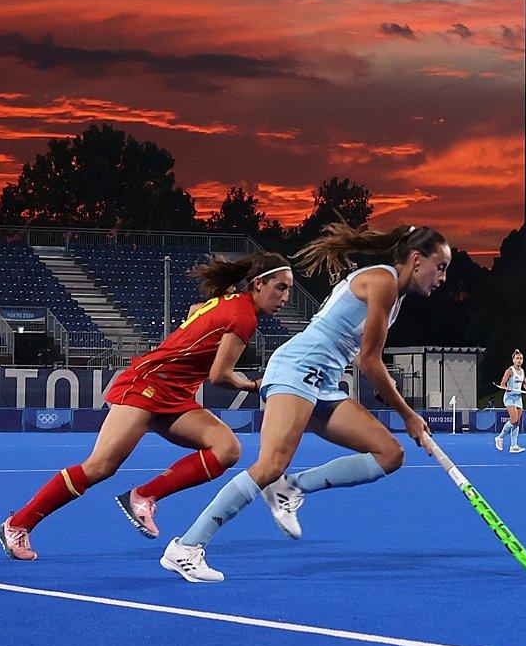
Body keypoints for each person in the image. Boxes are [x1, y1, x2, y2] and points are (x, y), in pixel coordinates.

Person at [162, 225, 448, 583]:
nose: (443, 277)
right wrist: (408, 415)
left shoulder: (393, 293)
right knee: (269, 465)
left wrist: (392, 401)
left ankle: (292, 487)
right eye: (440, 267)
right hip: (297, 369)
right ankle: (186, 548)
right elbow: (370, 361)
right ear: (417, 259)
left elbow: (365, 358)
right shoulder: (384, 283)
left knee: (389, 454)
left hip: (323, 382)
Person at [0, 251, 292, 560]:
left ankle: (145, 495)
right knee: (100, 467)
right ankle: (17, 524)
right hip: (146, 386)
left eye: (288, 290)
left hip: (173, 394)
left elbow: (195, 310)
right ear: (258, 285)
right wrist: (258, 385)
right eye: (280, 287)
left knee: (227, 449)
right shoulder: (244, 317)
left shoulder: (229, 301)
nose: (284, 297)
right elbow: (220, 375)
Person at [493, 349, 526, 454]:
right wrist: (506, 388)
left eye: (521, 358)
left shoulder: (522, 371)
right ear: (513, 360)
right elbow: (502, 384)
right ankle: (500, 437)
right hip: (509, 398)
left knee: (517, 422)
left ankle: (514, 446)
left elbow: (525, 383)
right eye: (517, 358)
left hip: (518, 398)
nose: (519, 360)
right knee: (513, 420)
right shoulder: (509, 371)